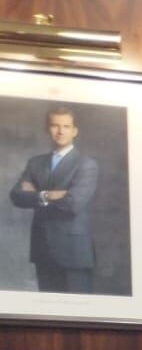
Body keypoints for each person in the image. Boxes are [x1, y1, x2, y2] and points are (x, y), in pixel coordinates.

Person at [8, 105, 99, 293]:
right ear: (47, 129)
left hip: (74, 252)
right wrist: (47, 194)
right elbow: (16, 196)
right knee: (47, 312)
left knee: (77, 315)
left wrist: (35, 195)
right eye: (55, 125)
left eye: (66, 126)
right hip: (43, 249)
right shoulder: (35, 163)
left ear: (75, 131)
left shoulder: (86, 165)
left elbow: (73, 204)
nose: (60, 131)